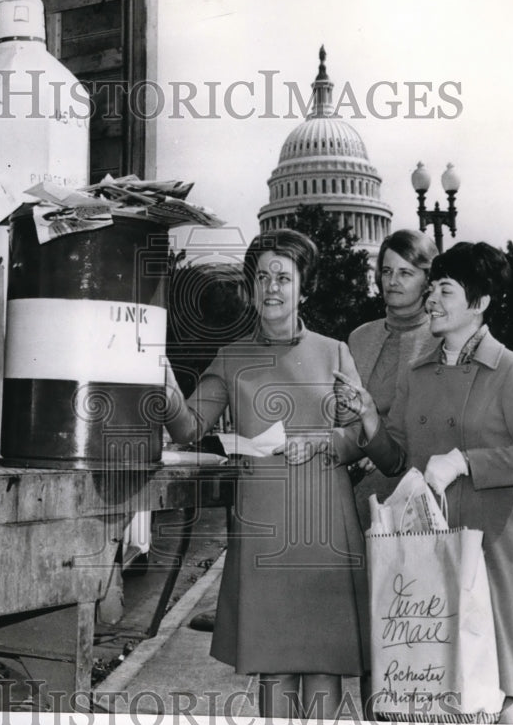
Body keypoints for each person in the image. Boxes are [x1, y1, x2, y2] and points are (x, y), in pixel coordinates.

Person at [164, 228, 400, 719]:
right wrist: (161, 384)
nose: (272, 287)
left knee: (324, 665)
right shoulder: (231, 358)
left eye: (283, 277)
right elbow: (188, 429)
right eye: (263, 277)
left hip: (327, 528)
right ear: (251, 288)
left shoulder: (335, 351)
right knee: (274, 667)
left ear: (302, 288)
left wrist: (327, 439)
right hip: (264, 533)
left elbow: (364, 439)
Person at [356, 241, 513, 724]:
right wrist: (367, 422)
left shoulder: (511, 370)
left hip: (483, 549)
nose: (432, 301)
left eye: (445, 291)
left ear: (480, 303)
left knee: (487, 683)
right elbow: (397, 457)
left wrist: (466, 461)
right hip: (422, 547)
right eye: (434, 290)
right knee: (422, 679)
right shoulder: (417, 371)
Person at [347, 229, 440, 531]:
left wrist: (383, 450)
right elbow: (347, 413)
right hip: (356, 475)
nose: (392, 281)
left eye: (405, 273)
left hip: (415, 487)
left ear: (428, 281)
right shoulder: (360, 337)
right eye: (387, 271)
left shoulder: (442, 341)